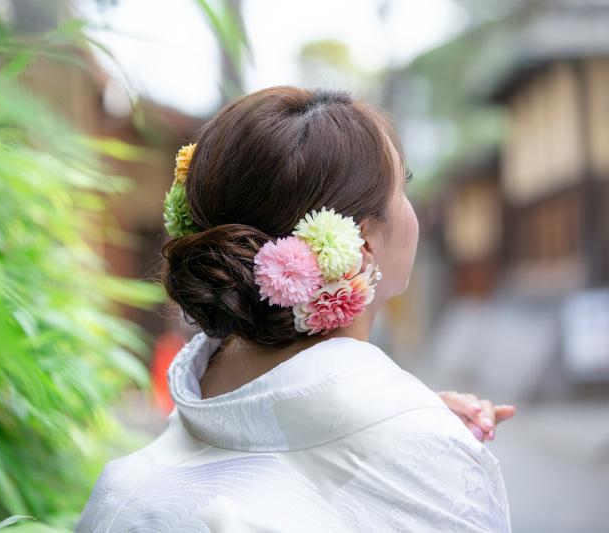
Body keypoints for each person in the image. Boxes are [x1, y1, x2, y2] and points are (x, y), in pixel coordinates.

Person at [75, 87, 515, 532]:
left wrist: (394, 419)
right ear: (362, 246)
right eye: (405, 188)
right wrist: (413, 434)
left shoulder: (120, 496)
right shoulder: (428, 469)